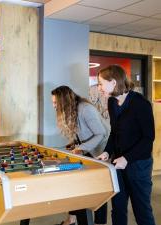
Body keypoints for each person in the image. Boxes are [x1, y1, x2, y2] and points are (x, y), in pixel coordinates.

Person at [97, 65, 156, 225]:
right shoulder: (111, 102)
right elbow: (114, 133)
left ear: (113, 82)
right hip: (118, 163)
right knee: (118, 208)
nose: (99, 87)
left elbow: (148, 138)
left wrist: (127, 158)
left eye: (101, 83)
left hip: (139, 165)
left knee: (141, 211)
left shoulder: (141, 104)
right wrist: (107, 152)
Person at [51, 85, 109, 225]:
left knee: (98, 190)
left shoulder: (85, 109)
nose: (53, 106)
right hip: (88, 149)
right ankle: (72, 218)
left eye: (55, 103)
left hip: (101, 151)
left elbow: (100, 134)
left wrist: (81, 148)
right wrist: (74, 143)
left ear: (64, 101)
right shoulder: (72, 109)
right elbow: (81, 132)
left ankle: (99, 222)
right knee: (76, 185)